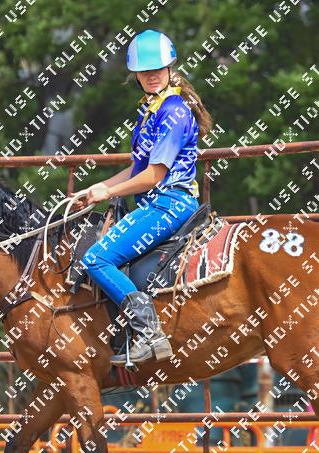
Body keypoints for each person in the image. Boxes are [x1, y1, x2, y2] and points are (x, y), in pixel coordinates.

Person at [75, 29, 213, 367]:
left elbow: (154, 176)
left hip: (169, 203)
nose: (152, 75)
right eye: (144, 70)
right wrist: (97, 189)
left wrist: (109, 192)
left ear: (169, 67)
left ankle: (150, 333)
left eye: (157, 69)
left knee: (96, 259)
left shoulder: (174, 110)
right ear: (135, 75)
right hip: (158, 203)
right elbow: (137, 169)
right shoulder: (152, 109)